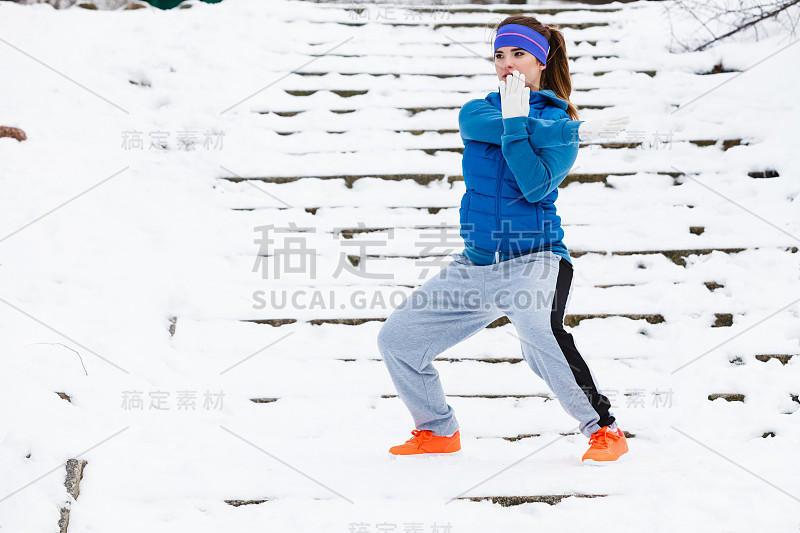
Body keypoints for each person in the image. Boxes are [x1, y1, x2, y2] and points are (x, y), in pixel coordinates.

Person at [377, 16, 629, 464]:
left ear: (540, 60)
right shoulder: (477, 111)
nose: (507, 64)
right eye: (499, 55)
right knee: (398, 339)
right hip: (475, 263)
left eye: (518, 54)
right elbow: (491, 127)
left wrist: (522, 127)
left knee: (538, 334)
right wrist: (552, 128)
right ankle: (436, 431)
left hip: (536, 259)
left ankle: (604, 430)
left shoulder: (559, 120)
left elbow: (533, 186)